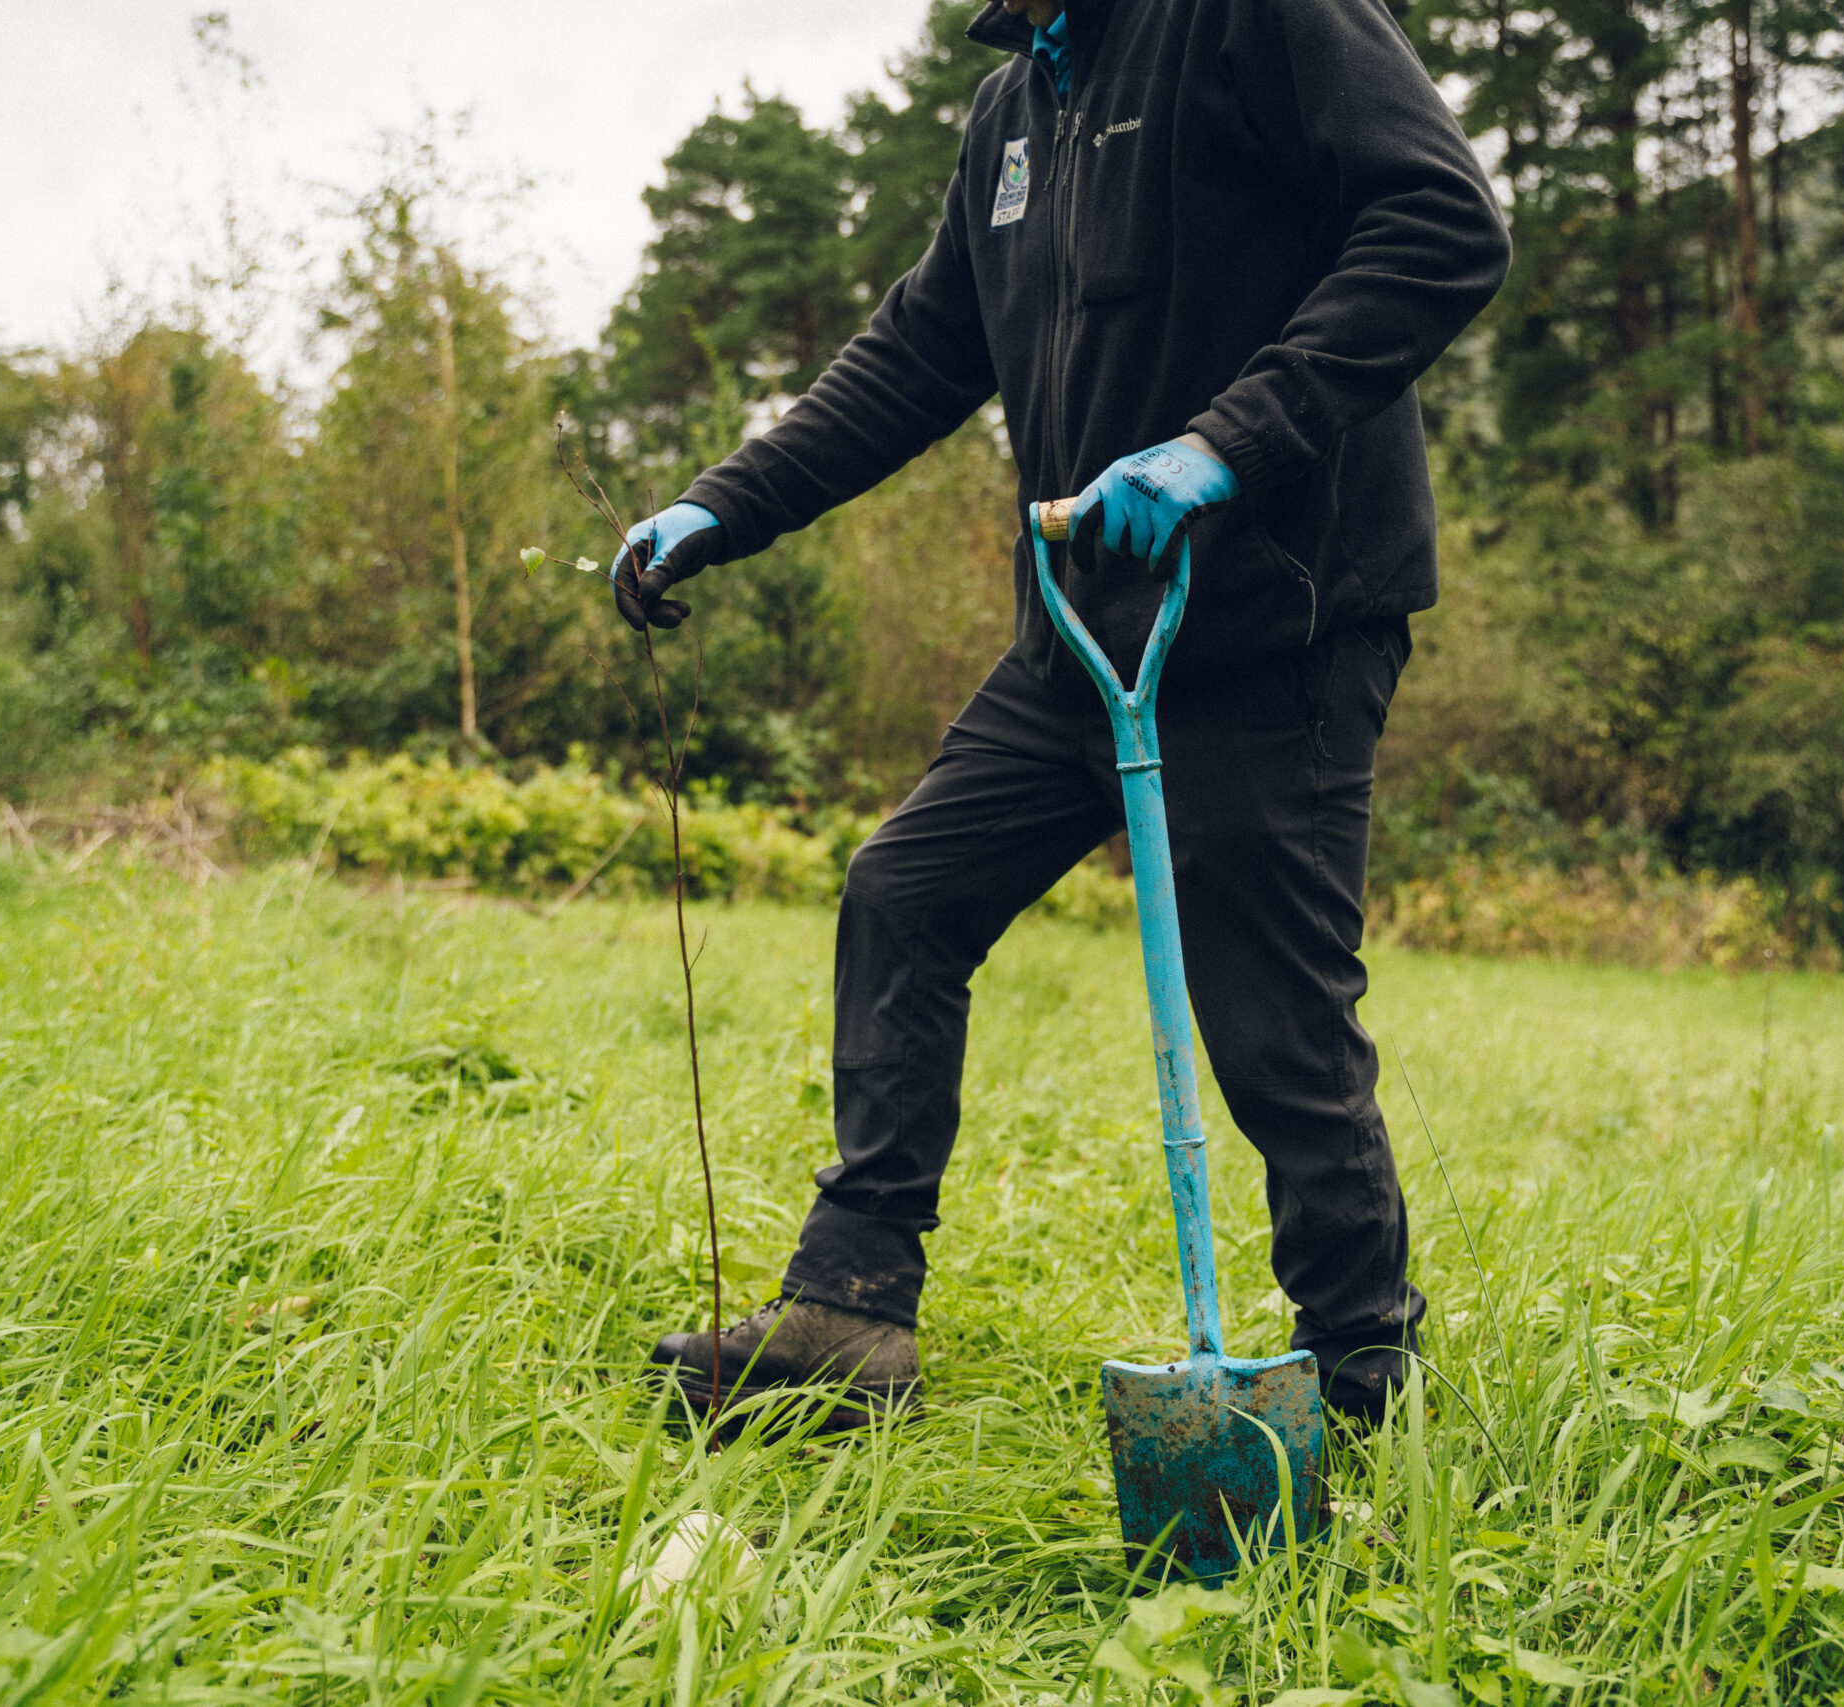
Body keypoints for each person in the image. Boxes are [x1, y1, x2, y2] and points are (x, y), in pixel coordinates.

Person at [621, 0, 1508, 1433]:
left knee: (1274, 1019)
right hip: (1085, 638)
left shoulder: (1254, 18)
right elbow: (920, 354)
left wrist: (1231, 439)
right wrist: (726, 502)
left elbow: (1443, 224)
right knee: (907, 893)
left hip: (1272, 620)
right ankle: (849, 1313)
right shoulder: (1013, 115)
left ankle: (1363, 1378)